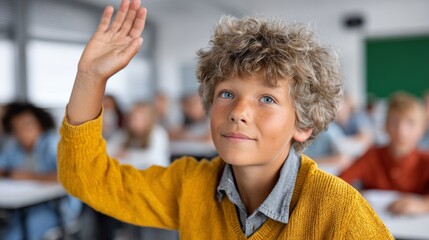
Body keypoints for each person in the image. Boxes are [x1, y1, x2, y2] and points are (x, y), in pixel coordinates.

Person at [57, 0, 393, 239]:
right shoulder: (191, 186)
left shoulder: (338, 211)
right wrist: (89, 78)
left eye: (267, 98)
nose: (238, 112)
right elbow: (85, 178)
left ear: (303, 124)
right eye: (227, 94)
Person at [340, 92, 429, 215]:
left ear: (422, 129)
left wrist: (423, 205)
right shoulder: (372, 155)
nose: (401, 130)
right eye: (394, 122)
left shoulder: (425, 161)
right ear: (385, 125)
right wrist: (356, 196)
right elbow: (339, 181)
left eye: (410, 123)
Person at [0, 102, 60, 240]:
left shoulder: (52, 143)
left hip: (53, 208)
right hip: (22, 207)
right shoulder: (15, 146)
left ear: (40, 125)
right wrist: (10, 173)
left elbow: (66, 176)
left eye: (27, 126)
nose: (22, 132)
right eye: (16, 128)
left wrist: (28, 176)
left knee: (13, 236)